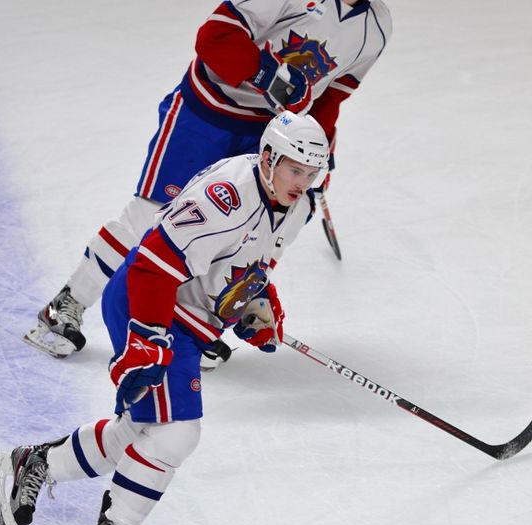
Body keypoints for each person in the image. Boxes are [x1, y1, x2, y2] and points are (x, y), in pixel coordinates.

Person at [0, 111, 329, 525]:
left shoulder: (296, 206)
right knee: (176, 433)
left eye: (312, 173)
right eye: (296, 169)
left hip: (186, 315)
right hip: (145, 301)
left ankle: (39, 463)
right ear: (270, 157)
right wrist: (146, 340)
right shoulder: (227, 194)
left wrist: (255, 308)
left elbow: (251, 267)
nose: (304, 181)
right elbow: (152, 264)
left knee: (143, 428)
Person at [24, 0, 392, 362]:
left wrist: (315, 148)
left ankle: (187, 322)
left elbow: (331, 96)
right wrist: (265, 74)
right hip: (206, 115)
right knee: (153, 217)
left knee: (248, 227)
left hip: (268, 134)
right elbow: (215, 37)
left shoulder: (375, 27)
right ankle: (66, 305)